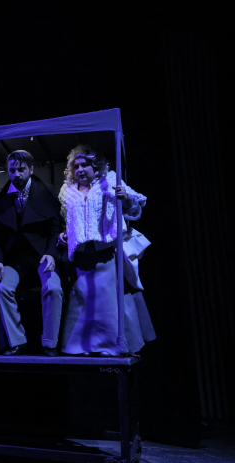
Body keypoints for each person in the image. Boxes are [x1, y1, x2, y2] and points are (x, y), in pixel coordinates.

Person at [58, 145, 152, 356]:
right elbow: (68, 220)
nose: (80, 170)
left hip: (105, 252)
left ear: (95, 165)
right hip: (81, 255)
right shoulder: (67, 191)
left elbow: (135, 208)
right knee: (84, 302)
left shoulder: (109, 180)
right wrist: (64, 234)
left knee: (106, 302)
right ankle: (84, 346)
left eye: (85, 165)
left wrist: (125, 196)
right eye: (76, 166)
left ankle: (109, 346)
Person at [0, 150, 64, 356]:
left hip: (42, 257)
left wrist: (51, 253)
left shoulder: (46, 192)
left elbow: (55, 228)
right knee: (1, 289)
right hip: (15, 260)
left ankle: (50, 343)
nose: (16, 174)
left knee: (53, 289)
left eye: (21, 169)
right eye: (12, 170)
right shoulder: (1, 198)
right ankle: (17, 341)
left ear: (31, 169)